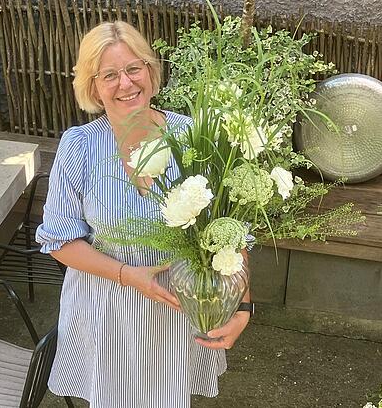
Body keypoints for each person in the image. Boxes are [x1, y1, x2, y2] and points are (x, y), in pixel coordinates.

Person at [36, 20, 252, 407]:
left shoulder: (196, 136)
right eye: (110, 75)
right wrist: (127, 275)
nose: (126, 83)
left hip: (178, 312)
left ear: (151, 73)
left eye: (134, 69)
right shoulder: (79, 147)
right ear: (93, 87)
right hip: (106, 311)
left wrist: (244, 306)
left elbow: (230, 235)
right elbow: (59, 241)